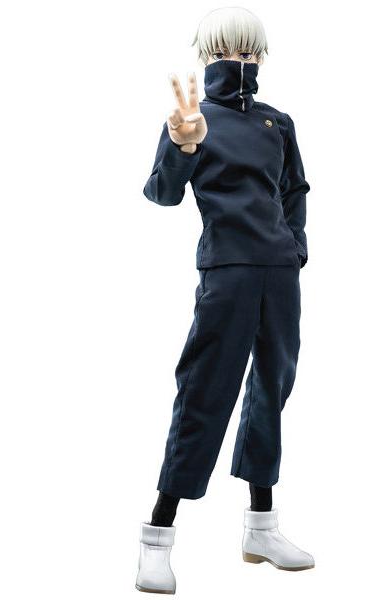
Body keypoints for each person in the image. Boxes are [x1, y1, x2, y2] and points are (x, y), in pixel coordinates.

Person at [134, 7, 315, 594]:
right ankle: (157, 536)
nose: (237, 60)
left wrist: (295, 248)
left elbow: (294, 190)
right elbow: (162, 193)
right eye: (223, 50)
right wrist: (182, 146)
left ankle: (261, 527)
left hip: (279, 274)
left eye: (247, 50)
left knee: (271, 390)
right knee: (205, 391)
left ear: (260, 57)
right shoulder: (193, 119)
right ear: (205, 55)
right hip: (227, 272)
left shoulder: (277, 122)